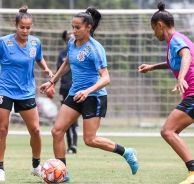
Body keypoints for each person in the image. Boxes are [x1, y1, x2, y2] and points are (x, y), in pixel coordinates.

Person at [40, 6, 139, 182]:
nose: (74, 31)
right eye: (73, 27)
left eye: (77, 27)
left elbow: (106, 78)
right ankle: (62, 173)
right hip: (75, 94)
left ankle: (126, 152)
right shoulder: (72, 43)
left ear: (88, 27)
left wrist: (87, 91)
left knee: (89, 139)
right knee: (57, 131)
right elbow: (67, 64)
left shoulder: (95, 48)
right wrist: (51, 81)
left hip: (94, 96)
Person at [138, 2, 194, 184]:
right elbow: (173, 61)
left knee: (168, 131)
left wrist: (181, 77)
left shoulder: (176, 39)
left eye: (154, 29)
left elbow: (186, 56)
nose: (154, 33)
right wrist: (153, 67)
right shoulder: (174, 43)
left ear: (160, 25)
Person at [0, 6, 53, 182]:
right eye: (22, 27)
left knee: (36, 130)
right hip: (4, 90)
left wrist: (46, 70)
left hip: (26, 92)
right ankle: (0, 169)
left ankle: (35, 166)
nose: (25, 30)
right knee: (2, 129)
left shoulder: (35, 43)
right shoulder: (3, 42)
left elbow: (38, 57)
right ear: (15, 25)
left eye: (28, 27)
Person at [47, 30, 79, 154]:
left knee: (74, 117)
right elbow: (59, 71)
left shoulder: (80, 52)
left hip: (76, 88)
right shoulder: (62, 54)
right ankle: (69, 145)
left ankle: (74, 145)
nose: (71, 40)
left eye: (73, 37)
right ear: (65, 40)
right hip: (64, 88)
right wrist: (51, 85)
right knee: (65, 118)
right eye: (68, 38)